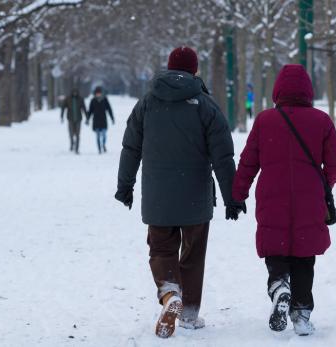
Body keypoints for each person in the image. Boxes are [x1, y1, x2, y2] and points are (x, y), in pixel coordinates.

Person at [115, 46, 245, 339]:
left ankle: (169, 293)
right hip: (195, 194)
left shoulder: (147, 103)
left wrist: (125, 186)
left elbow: (130, 147)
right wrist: (232, 197)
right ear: (194, 70)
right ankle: (188, 312)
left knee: (161, 248)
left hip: (158, 195)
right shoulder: (205, 105)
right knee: (193, 253)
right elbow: (222, 156)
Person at [231, 65, 336, 336]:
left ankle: (279, 286)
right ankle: (302, 313)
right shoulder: (321, 120)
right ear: (308, 90)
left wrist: (237, 195)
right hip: (309, 201)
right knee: (304, 258)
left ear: (278, 90)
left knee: (276, 249)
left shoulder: (265, 120)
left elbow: (248, 162)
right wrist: (322, 183)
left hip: (272, 198)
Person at [86, 86, 115, 153]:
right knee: (98, 136)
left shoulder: (105, 99)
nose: (98, 94)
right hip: (96, 121)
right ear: (95, 93)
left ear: (101, 93)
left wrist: (112, 118)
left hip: (103, 120)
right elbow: (90, 111)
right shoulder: (93, 100)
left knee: (104, 135)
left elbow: (109, 109)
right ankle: (99, 148)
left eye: (99, 93)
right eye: (97, 93)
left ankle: (103, 145)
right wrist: (87, 119)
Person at [60, 88, 87, 154]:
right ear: (72, 92)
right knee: (71, 134)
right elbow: (63, 107)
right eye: (74, 92)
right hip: (70, 119)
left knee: (78, 134)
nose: (75, 93)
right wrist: (62, 116)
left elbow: (84, 108)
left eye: (76, 92)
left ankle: (77, 148)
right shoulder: (68, 99)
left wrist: (87, 117)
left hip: (78, 119)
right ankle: (72, 143)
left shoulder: (80, 99)